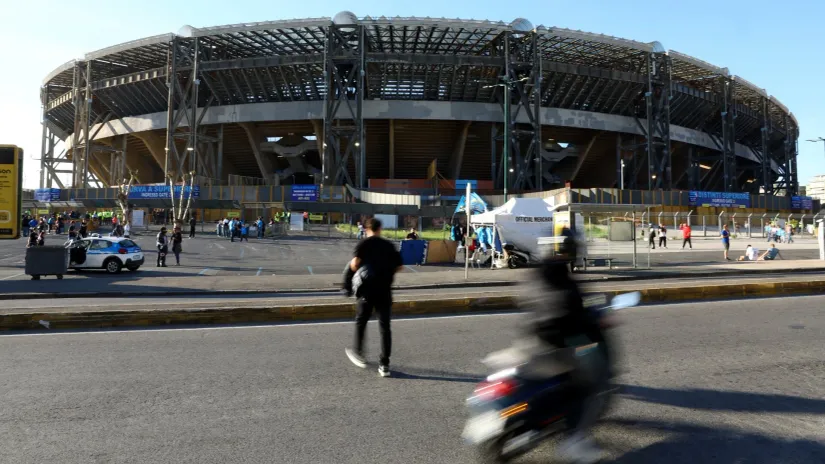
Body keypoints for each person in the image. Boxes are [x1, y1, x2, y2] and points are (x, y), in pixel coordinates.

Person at [526, 233, 612, 463]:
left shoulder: (542, 269)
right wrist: (596, 322)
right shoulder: (564, 277)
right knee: (585, 383)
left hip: (536, 332)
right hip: (563, 339)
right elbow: (574, 313)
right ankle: (572, 439)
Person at [344, 218, 403, 378]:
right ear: (380, 228)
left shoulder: (364, 244)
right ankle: (385, 364)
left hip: (367, 292)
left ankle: (359, 353)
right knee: (385, 327)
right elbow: (400, 266)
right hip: (385, 291)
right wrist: (386, 272)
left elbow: (355, 264)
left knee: (361, 321)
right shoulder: (388, 245)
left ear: (367, 228)